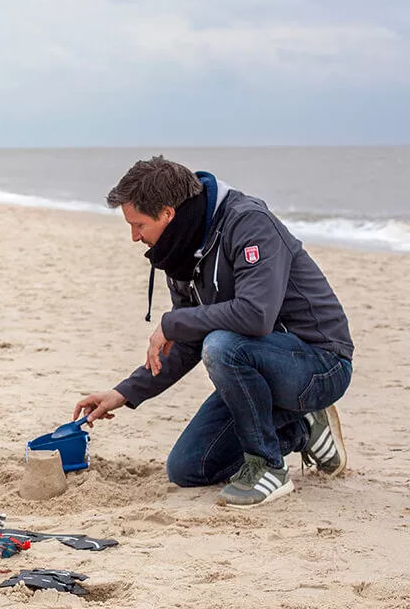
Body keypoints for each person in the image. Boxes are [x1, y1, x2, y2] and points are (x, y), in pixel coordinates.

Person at [74, 157, 353, 507]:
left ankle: (268, 466)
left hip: (321, 365)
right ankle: (302, 426)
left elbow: (256, 316)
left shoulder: (249, 223)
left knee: (221, 345)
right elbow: (188, 341)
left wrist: (173, 322)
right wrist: (124, 393)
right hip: (254, 369)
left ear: (167, 213)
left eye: (138, 224)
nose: (134, 237)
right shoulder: (178, 250)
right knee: (189, 468)